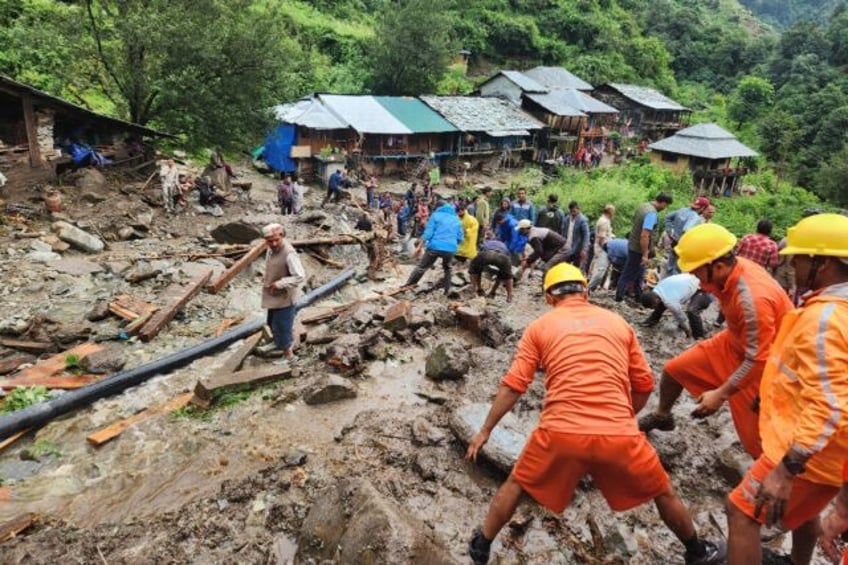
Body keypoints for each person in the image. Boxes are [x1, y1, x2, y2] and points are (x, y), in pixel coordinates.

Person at [466, 263, 724, 565]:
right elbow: (644, 384)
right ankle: (696, 551)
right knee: (663, 491)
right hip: (619, 434)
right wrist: (623, 418)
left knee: (515, 484)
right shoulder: (618, 323)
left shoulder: (539, 327)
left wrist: (485, 431)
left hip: (559, 432)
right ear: (586, 291)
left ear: (549, 297)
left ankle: (481, 546)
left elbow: (514, 385)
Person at [726, 213, 848, 565]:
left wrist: (786, 469)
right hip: (832, 454)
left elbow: (831, 405)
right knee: (805, 511)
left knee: (741, 513)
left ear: (823, 263)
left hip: (811, 453)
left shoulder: (826, 319)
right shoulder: (831, 308)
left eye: (800, 257)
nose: (792, 264)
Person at [639, 223, 793, 460]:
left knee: (756, 441)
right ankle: (663, 416)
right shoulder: (730, 271)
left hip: (764, 364)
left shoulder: (752, 299)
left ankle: (774, 482)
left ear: (718, 266)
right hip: (735, 341)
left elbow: (758, 358)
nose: (695, 279)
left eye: (697, 271)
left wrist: (721, 394)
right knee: (673, 370)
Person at [615, 193, 674, 303]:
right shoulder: (651, 214)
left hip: (633, 244)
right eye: (666, 206)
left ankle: (639, 297)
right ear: (663, 203)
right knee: (628, 273)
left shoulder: (643, 206)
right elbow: (645, 235)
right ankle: (619, 298)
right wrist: (645, 254)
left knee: (640, 273)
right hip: (639, 249)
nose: (665, 208)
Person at [261, 223, 306, 364]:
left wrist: (280, 283)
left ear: (282, 236)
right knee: (272, 322)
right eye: (270, 241)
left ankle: (289, 356)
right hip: (274, 295)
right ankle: (277, 343)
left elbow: (299, 276)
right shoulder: (271, 249)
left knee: (283, 326)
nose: (274, 243)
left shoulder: (289, 253)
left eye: (276, 240)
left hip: (285, 297)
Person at [405, 197, 464, 295]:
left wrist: (420, 245)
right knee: (447, 268)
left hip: (435, 246)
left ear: (438, 207)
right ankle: (447, 290)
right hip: (451, 248)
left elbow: (428, 233)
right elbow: (460, 238)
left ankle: (409, 285)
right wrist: (452, 245)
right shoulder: (456, 219)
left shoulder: (435, 215)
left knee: (421, 266)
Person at [639, 274, 710, 339]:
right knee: (661, 303)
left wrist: (687, 330)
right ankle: (652, 320)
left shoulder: (670, 302)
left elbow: (681, 317)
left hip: (701, 286)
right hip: (690, 277)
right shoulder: (657, 290)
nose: (652, 308)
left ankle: (699, 335)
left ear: (654, 300)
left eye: (652, 307)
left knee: (692, 311)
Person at [664, 197, 711, 276]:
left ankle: (665, 284)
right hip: (682, 246)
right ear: (703, 208)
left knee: (670, 267)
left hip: (674, 242)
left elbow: (668, 217)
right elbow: (686, 230)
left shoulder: (683, 210)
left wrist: (670, 231)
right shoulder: (695, 217)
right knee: (677, 270)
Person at [588, 204, 615, 289]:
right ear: (610, 212)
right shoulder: (604, 221)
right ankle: (589, 287)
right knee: (599, 269)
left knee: (598, 268)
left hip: (603, 247)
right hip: (602, 248)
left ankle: (592, 286)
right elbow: (601, 238)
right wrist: (605, 249)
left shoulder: (606, 220)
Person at [560, 201, 590, 269]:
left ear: (578, 209)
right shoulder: (567, 219)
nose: (572, 213)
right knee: (564, 265)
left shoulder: (583, 220)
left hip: (577, 248)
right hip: (567, 246)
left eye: (574, 211)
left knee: (575, 267)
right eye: (571, 211)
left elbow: (586, 235)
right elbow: (563, 231)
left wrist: (584, 249)